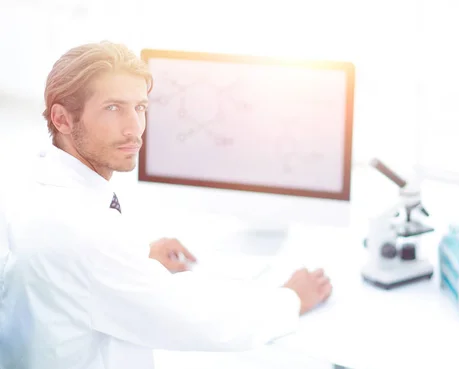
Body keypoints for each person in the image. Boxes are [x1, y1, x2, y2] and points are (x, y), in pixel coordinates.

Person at [0, 41, 333, 369]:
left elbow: (78, 268)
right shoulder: (84, 233)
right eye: (113, 108)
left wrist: (134, 258)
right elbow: (191, 317)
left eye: (140, 107)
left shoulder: (40, 188)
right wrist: (289, 300)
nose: (135, 128)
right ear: (62, 119)